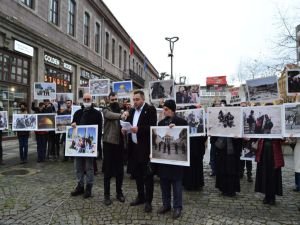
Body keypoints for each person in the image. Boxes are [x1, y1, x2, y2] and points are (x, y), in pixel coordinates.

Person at [125, 90, 157, 213]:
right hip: (134, 147)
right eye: (134, 99)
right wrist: (125, 130)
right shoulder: (132, 111)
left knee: (147, 176)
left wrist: (139, 129)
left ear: (143, 99)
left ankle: (148, 201)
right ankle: (140, 196)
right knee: (137, 174)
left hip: (145, 148)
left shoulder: (150, 110)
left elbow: (153, 127)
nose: (135, 101)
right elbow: (130, 126)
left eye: (137, 99)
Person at [156, 99, 187, 219]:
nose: (164, 111)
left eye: (166, 109)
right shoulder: (161, 123)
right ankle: (166, 205)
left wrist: (177, 128)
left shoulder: (182, 121)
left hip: (176, 159)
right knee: (164, 182)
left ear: (173, 110)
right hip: (164, 158)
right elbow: (158, 137)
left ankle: (177, 207)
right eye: (163, 109)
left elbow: (185, 137)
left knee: (177, 184)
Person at [70, 93, 102, 198]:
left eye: (88, 99)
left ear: (92, 100)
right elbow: (72, 125)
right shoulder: (77, 112)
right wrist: (73, 124)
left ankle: (89, 187)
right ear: (82, 100)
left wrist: (97, 147)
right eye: (85, 99)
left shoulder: (97, 113)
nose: (87, 100)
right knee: (78, 166)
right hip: (78, 145)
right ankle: (80, 186)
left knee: (89, 167)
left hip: (90, 145)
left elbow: (99, 131)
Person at [102, 92, 128, 205]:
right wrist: (121, 116)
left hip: (120, 144)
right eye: (112, 100)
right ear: (109, 100)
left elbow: (126, 122)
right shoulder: (105, 109)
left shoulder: (121, 111)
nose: (114, 101)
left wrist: (125, 127)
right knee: (107, 171)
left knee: (120, 171)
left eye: (116, 99)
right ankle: (106, 195)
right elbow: (109, 116)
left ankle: (119, 193)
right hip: (109, 143)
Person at [255, 138, 284, 205]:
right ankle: (266, 196)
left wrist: (284, 136)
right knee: (264, 174)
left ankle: (272, 197)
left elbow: (283, 139)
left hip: (274, 152)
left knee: (273, 175)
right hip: (263, 152)